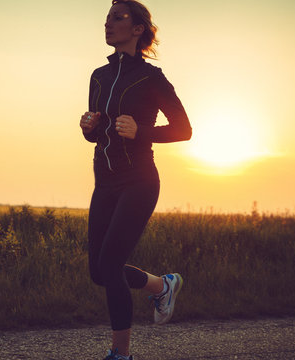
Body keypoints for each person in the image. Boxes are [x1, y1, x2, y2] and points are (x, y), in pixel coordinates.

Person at [79, 1, 192, 359]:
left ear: (138, 29)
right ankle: (162, 286)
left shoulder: (152, 78)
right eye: (107, 19)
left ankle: (120, 354)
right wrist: (89, 129)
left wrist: (141, 131)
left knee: (110, 265)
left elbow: (184, 130)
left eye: (118, 18)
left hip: (140, 181)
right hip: (106, 182)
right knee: (99, 272)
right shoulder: (99, 75)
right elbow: (99, 136)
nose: (108, 24)